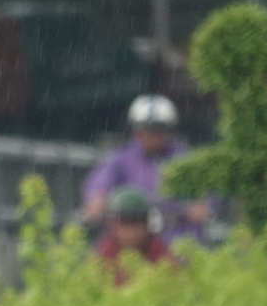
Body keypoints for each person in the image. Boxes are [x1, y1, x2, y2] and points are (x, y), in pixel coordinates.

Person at [78, 94, 215, 240]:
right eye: (145, 129)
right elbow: (100, 183)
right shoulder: (122, 158)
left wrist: (201, 205)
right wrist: (98, 199)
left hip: (178, 235)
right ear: (135, 129)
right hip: (132, 236)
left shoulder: (185, 159)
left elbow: (207, 194)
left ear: (168, 129)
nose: (152, 136)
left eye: (158, 129)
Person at [92, 187, 174, 277]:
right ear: (112, 227)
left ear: (147, 226)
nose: (130, 234)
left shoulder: (160, 253)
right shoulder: (104, 256)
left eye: (136, 226)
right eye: (124, 226)